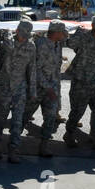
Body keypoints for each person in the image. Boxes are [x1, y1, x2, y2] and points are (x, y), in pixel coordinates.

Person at [64, 14, 95, 148]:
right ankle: (69, 133)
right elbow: (70, 44)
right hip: (81, 79)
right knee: (78, 109)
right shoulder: (83, 36)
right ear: (93, 25)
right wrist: (78, 32)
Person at [0, 20, 34, 163]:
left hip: (20, 88)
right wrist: (7, 35)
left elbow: (32, 69)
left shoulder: (31, 47)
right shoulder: (7, 42)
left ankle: (13, 150)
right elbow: (5, 45)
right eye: (21, 34)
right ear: (17, 31)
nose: (23, 38)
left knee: (17, 121)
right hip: (5, 87)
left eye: (26, 35)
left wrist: (32, 90)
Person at [28, 20, 67, 158]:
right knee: (24, 117)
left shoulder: (57, 44)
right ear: (55, 32)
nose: (64, 34)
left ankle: (44, 146)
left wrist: (53, 88)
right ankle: (13, 146)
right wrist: (47, 87)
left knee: (50, 117)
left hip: (51, 88)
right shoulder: (42, 45)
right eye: (62, 32)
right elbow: (35, 69)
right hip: (37, 88)